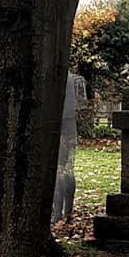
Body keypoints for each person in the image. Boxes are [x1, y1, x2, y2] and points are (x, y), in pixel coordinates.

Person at [52, 72, 82, 225]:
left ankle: (59, 213)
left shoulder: (59, 75)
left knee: (60, 171)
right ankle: (67, 212)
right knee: (67, 170)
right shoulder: (69, 77)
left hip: (61, 131)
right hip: (69, 130)